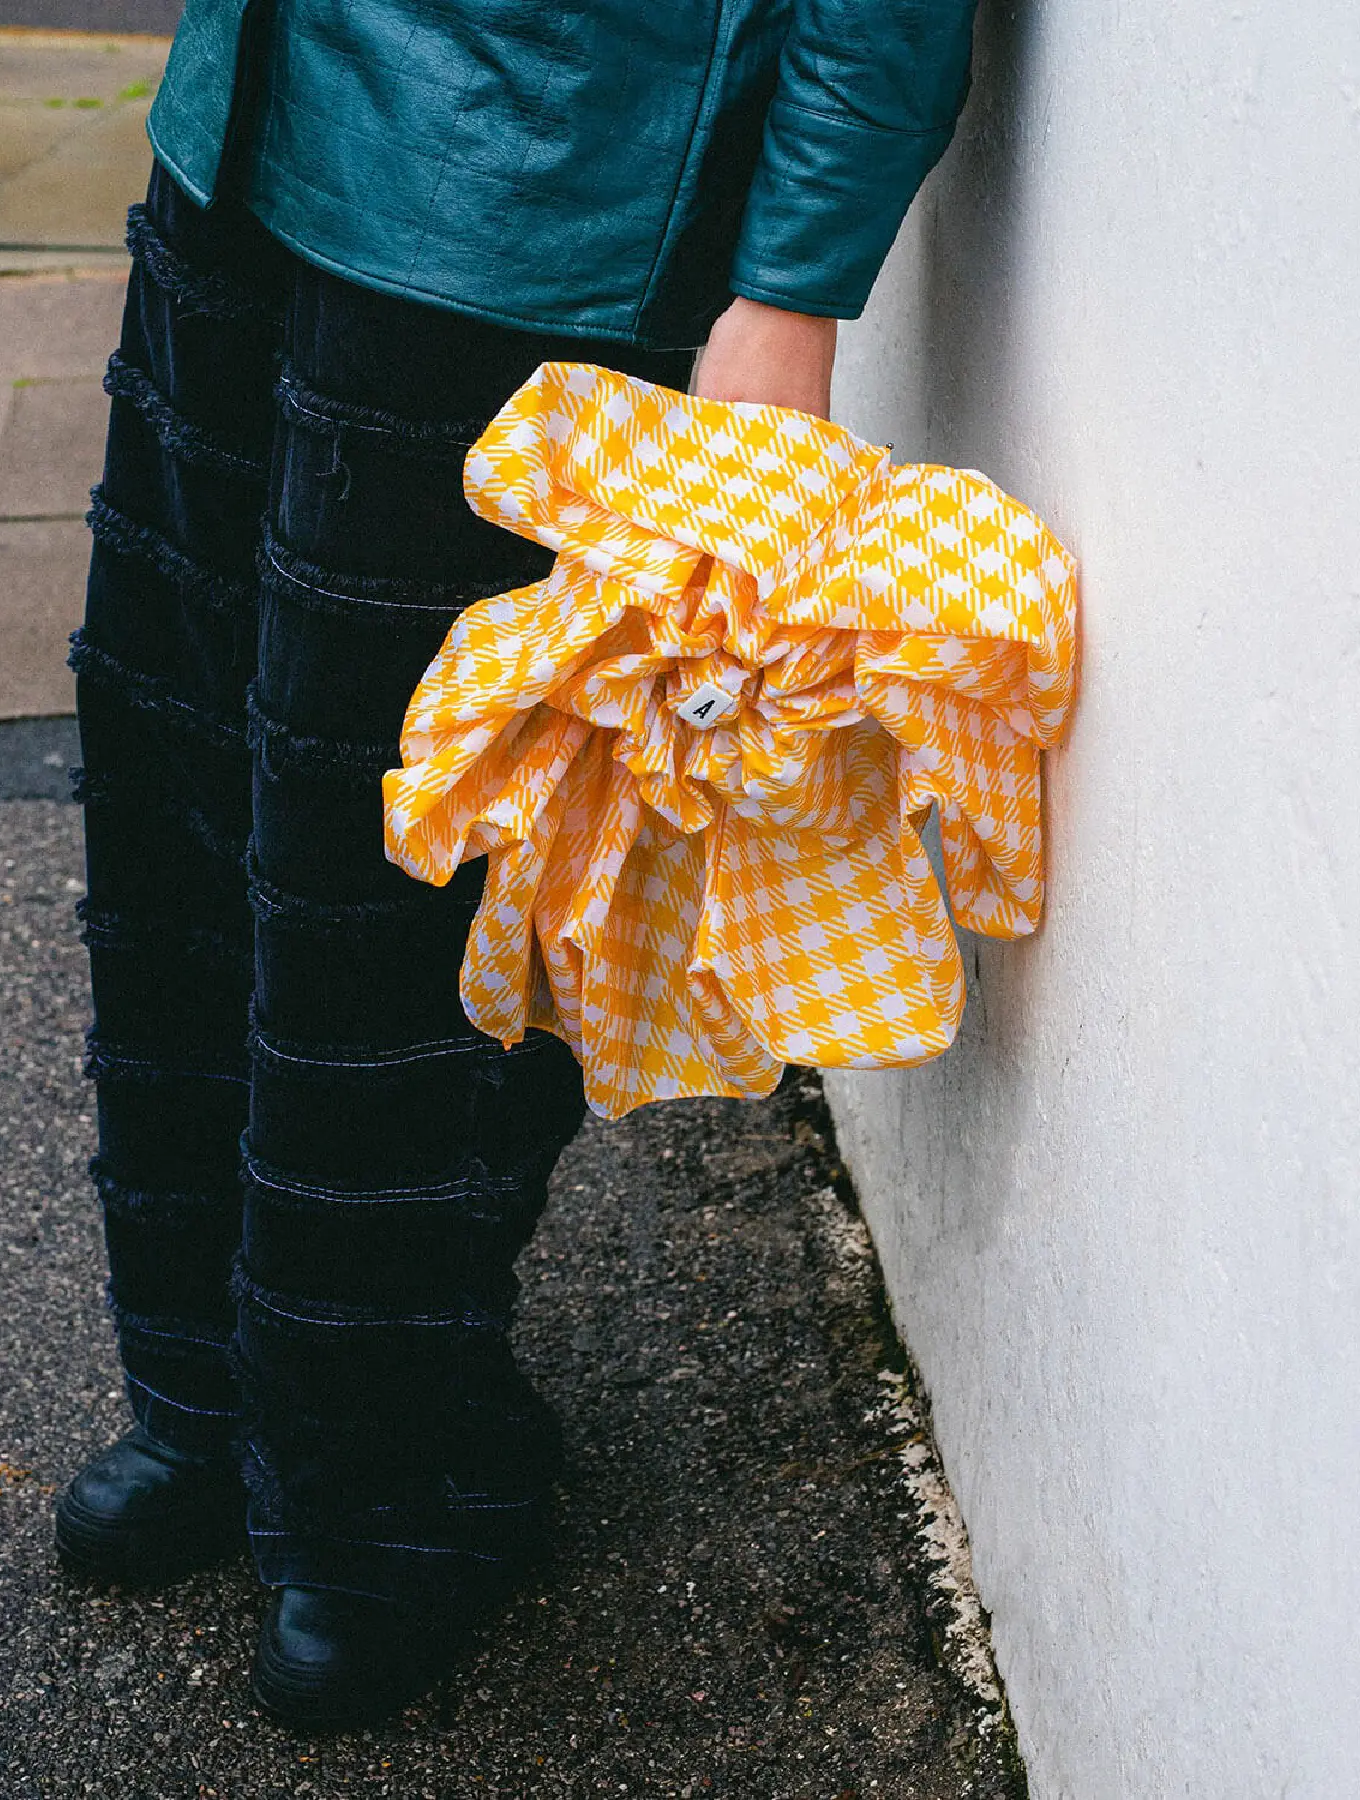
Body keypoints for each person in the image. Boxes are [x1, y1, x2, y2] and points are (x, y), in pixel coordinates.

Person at [52, 0, 980, 1731]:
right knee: (174, 761)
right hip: (245, 116)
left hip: (539, 199)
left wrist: (790, 291)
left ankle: (388, 1488)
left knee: (388, 865)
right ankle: (210, 1395)